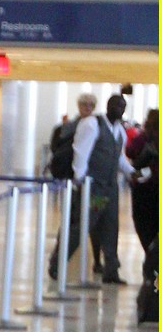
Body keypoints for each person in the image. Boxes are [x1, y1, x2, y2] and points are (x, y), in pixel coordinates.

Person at [48, 93, 134, 285]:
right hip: (94, 188)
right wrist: (80, 180)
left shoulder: (119, 130)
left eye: (122, 107)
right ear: (108, 106)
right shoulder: (92, 124)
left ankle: (111, 270)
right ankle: (57, 263)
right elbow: (81, 153)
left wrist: (133, 173)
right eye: (116, 105)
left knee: (111, 227)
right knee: (82, 225)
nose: (119, 110)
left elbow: (119, 158)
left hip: (110, 187)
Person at [125, 107, 158, 255]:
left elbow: (129, 151)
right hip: (152, 187)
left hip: (142, 188)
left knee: (144, 226)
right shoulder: (144, 138)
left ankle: (150, 257)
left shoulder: (141, 138)